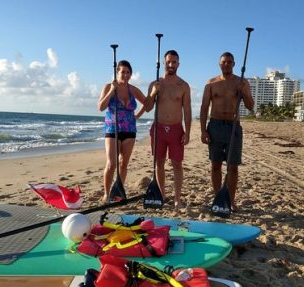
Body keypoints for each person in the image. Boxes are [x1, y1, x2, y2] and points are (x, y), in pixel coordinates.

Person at [199, 52, 254, 211]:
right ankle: (218, 197)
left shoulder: (241, 82)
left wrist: (243, 91)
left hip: (233, 126)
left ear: (234, 64)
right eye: (224, 62)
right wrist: (203, 130)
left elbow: (250, 106)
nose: (226, 64)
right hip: (215, 125)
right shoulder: (211, 83)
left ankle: (230, 200)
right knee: (215, 164)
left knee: (233, 166)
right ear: (219, 64)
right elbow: (204, 108)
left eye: (229, 62)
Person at [139, 50, 192, 209]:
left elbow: (187, 111)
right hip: (158, 128)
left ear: (178, 64)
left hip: (176, 129)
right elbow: (148, 108)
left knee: (177, 164)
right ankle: (161, 195)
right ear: (164, 63)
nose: (171, 65)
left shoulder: (183, 86)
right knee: (159, 162)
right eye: (168, 62)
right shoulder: (155, 83)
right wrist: (154, 93)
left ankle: (177, 199)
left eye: (174, 62)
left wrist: (187, 132)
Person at [98, 60, 155, 202]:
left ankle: (119, 191)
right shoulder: (108, 87)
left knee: (124, 163)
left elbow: (148, 106)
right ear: (117, 72)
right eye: (123, 72)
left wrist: (152, 94)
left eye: (128, 72)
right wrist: (112, 90)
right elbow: (101, 107)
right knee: (111, 164)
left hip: (129, 130)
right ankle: (106, 193)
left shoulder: (133, 90)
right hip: (113, 130)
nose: (125, 75)